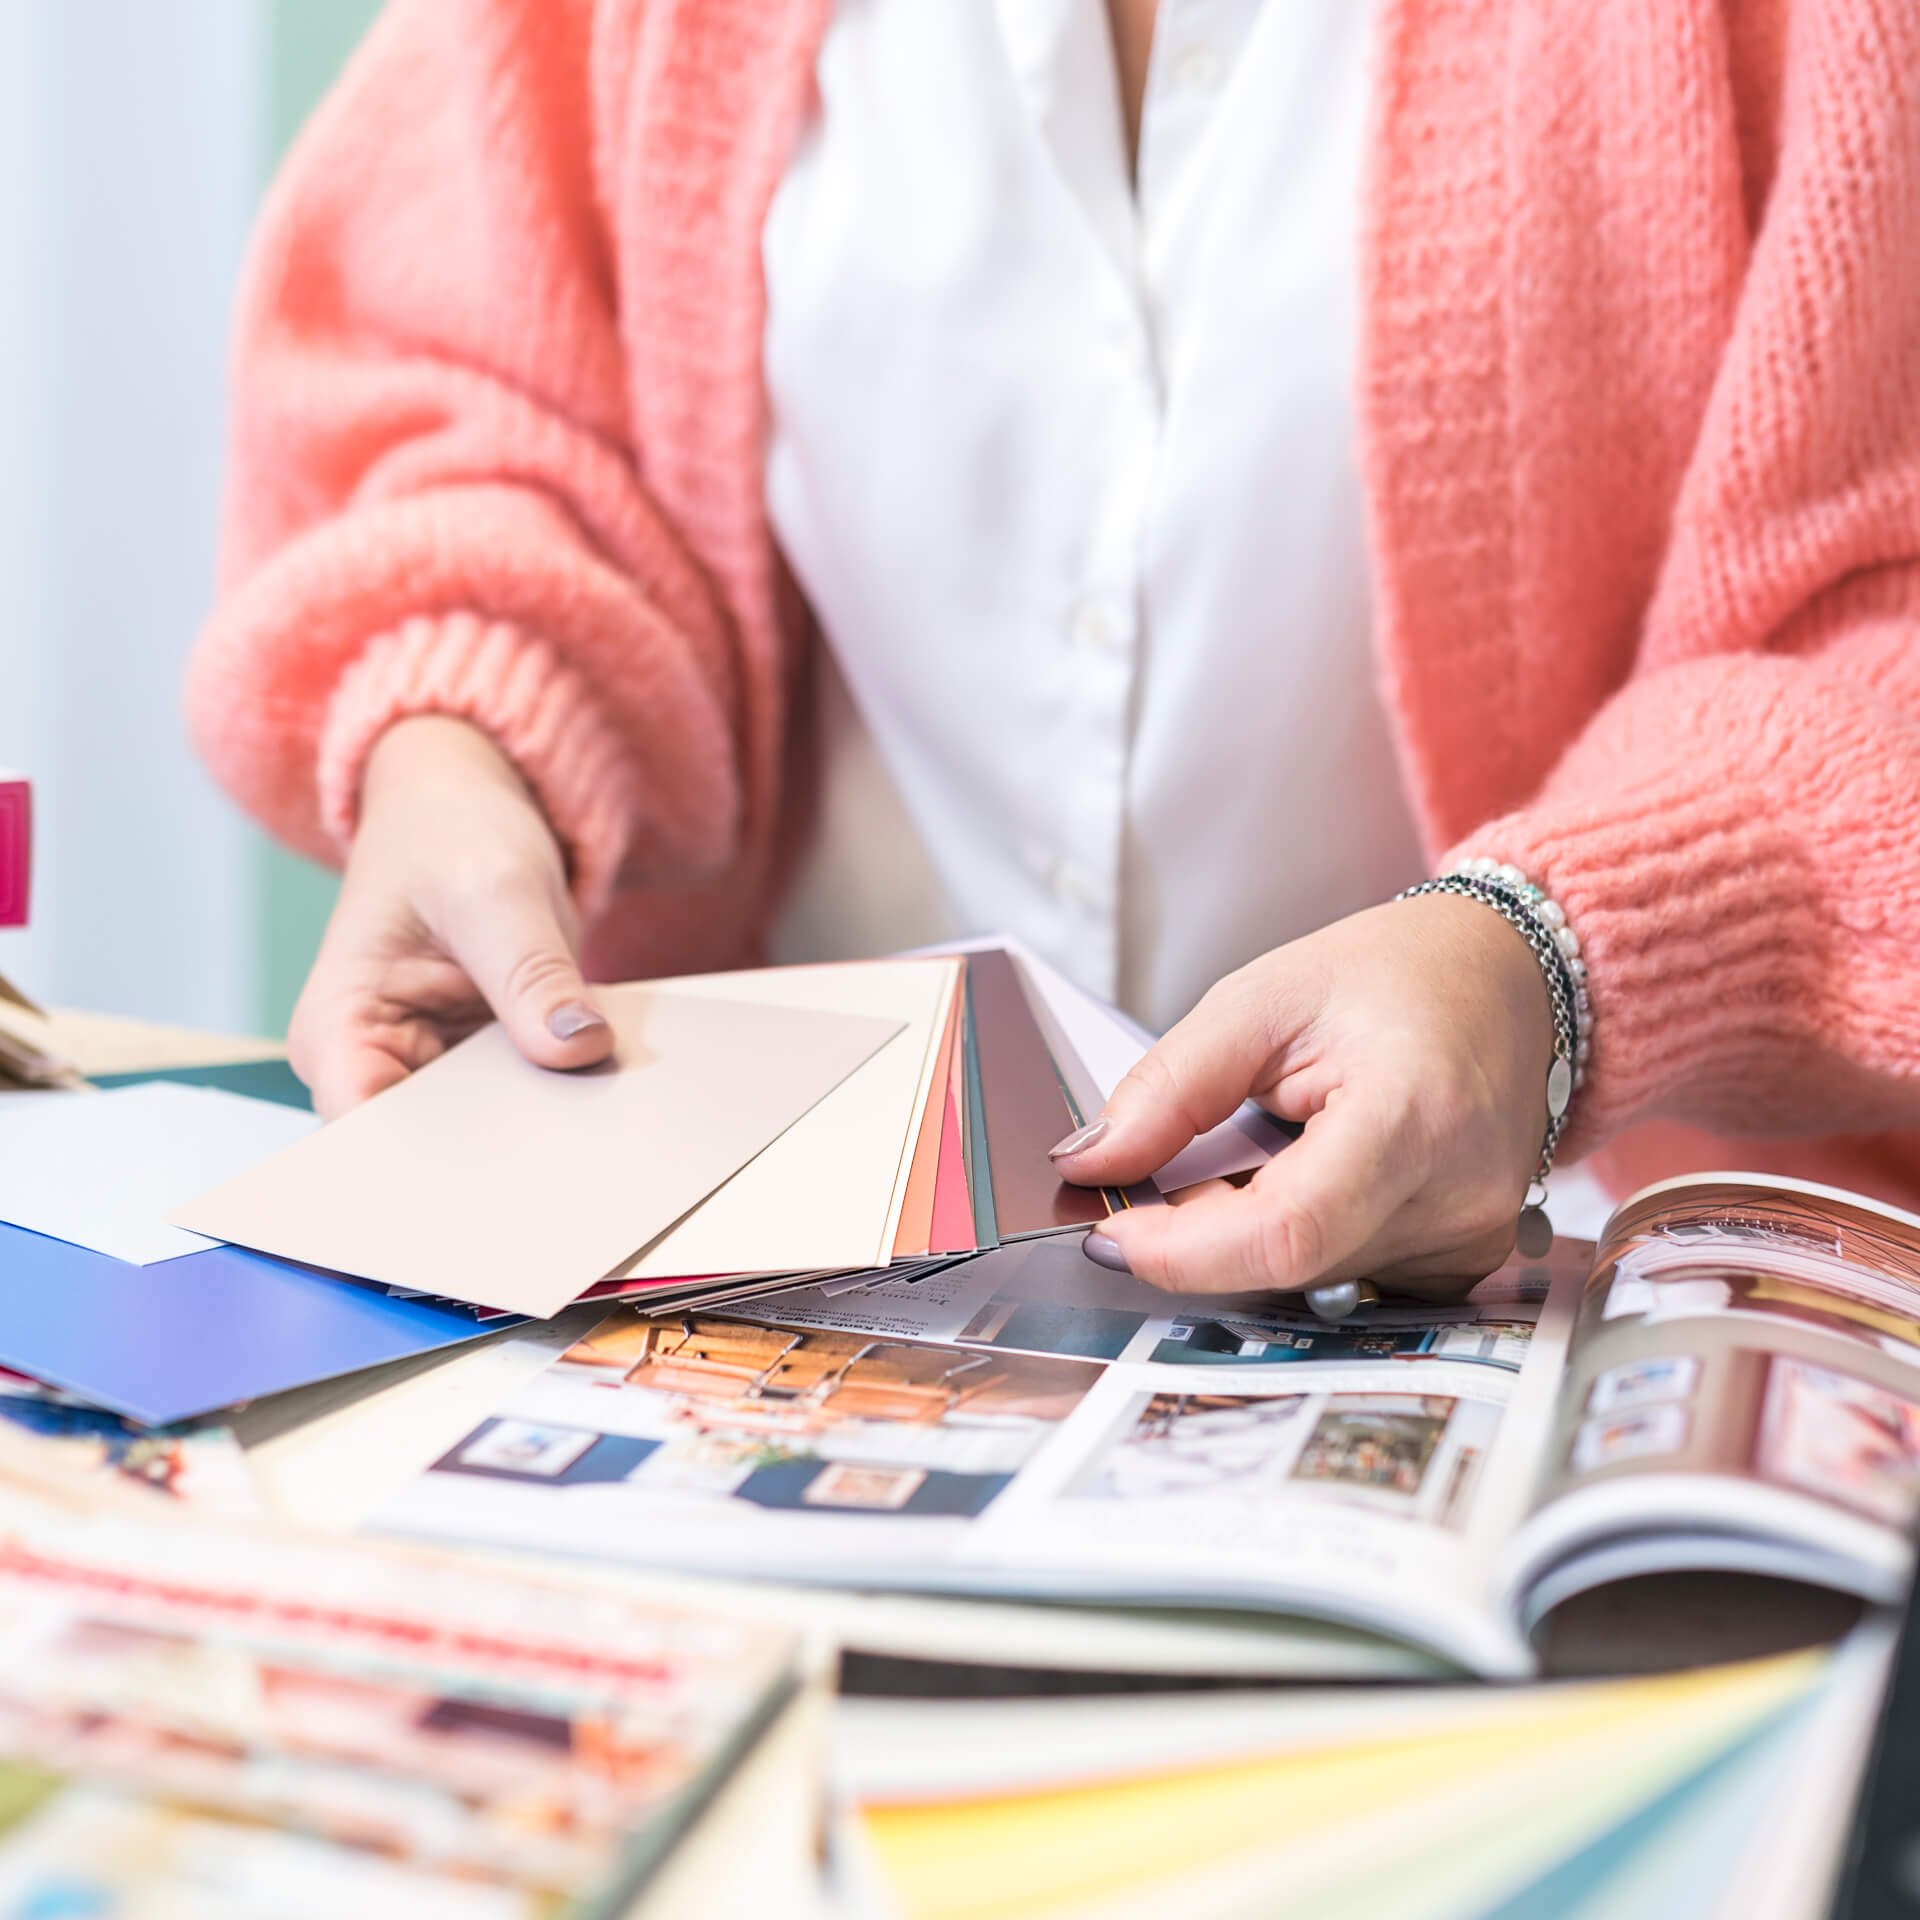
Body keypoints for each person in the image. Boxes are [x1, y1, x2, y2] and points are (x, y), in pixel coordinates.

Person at [188, 0, 1920, 1300]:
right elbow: (477, 382)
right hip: (780, 1308)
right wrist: (462, 735)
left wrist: (1554, 972)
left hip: (1600, 1318)